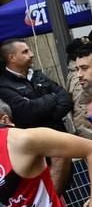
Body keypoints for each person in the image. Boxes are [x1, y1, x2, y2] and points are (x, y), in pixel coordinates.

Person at [0, 39, 74, 191]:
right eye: (25, 52)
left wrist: (47, 115)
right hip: (36, 155)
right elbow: (26, 112)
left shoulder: (38, 76)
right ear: (11, 57)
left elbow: (66, 99)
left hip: (59, 143)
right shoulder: (4, 84)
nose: (32, 55)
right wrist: (52, 98)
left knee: (66, 192)